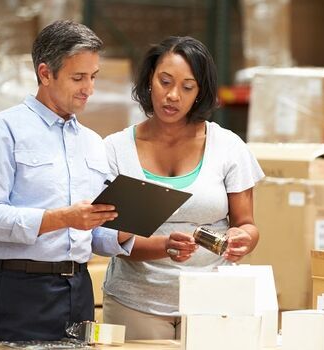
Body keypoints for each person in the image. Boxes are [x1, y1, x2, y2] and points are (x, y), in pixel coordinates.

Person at [0, 20, 135, 341]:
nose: (89, 88)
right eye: (78, 77)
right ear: (45, 73)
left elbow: (93, 234)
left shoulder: (93, 143)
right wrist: (63, 218)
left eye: (93, 77)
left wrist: (129, 224)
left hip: (79, 289)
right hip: (20, 290)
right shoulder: (0, 132)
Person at [102, 36, 264, 340]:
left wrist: (243, 238)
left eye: (187, 87)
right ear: (149, 80)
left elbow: (247, 225)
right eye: (165, 82)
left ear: (200, 93)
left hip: (214, 303)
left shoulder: (227, 147)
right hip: (136, 304)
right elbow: (112, 239)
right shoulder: (115, 149)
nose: (173, 95)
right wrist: (165, 245)